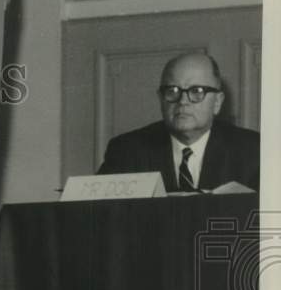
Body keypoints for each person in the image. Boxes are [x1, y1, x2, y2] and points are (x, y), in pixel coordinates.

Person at [98, 53, 260, 192]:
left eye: (197, 91)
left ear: (217, 102)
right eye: (172, 91)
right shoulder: (126, 151)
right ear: (161, 99)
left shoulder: (253, 151)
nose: (183, 101)